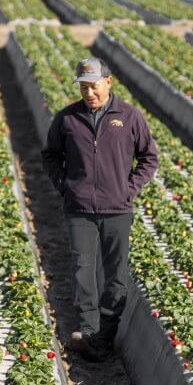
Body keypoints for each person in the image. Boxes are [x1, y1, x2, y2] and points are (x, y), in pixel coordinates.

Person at [42, 57, 158, 362]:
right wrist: (66, 187)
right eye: (83, 87)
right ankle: (88, 330)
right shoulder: (67, 119)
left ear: (108, 82)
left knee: (116, 273)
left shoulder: (130, 117)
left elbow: (149, 157)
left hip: (117, 210)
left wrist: (128, 189)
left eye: (93, 85)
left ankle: (105, 334)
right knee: (83, 268)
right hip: (79, 209)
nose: (88, 92)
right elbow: (50, 156)